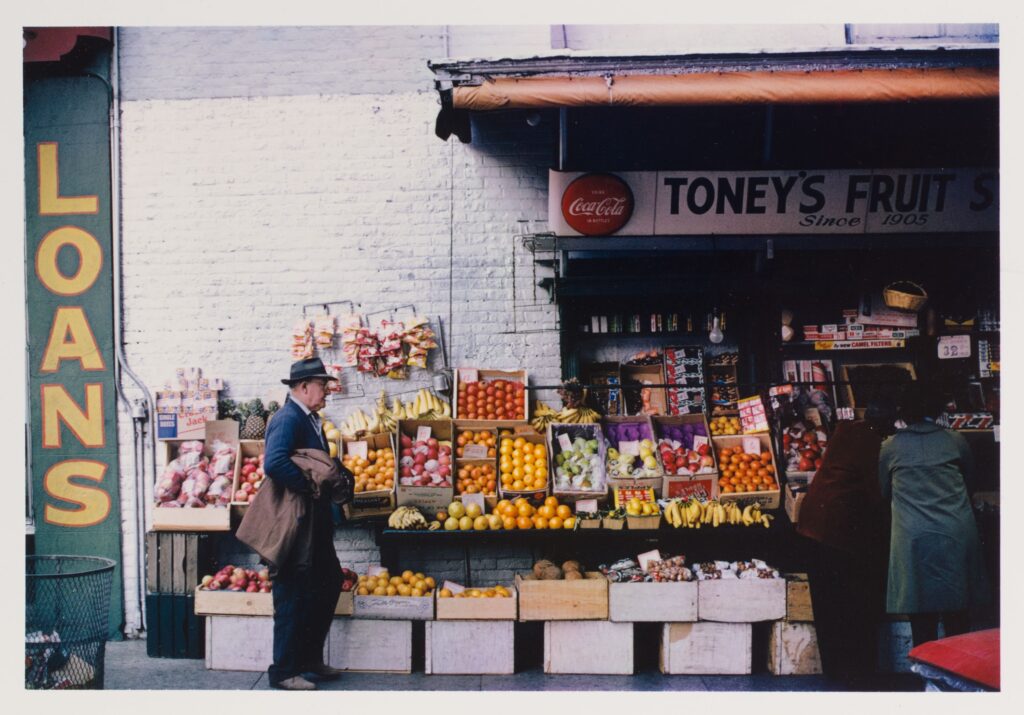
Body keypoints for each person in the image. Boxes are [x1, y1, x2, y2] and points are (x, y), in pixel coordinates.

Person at [879, 380, 989, 647]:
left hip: (913, 540)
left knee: (921, 618)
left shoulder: (890, 447)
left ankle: (926, 680)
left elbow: (884, 492)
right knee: (958, 616)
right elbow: (969, 482)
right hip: (954, 534)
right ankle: (957, 680)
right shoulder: (956, 441)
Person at [262, 357, 349, 690]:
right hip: (296, 521)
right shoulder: (287, 418)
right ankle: (284, 672)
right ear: (302, 387)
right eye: (322, 385)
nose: (326, 391)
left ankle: (310, 659)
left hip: (315, 522)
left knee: (327, 582)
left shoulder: (311, 419)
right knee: (290, 592)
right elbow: (274, 463)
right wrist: (311, 488)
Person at [796, 402, 893, 685]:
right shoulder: (876, 445)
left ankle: (834, 670)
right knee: (855, 602)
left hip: (813, 523)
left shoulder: (844, 430)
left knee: (826, 602)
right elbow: (877, 492)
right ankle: (858, 672)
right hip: (840, 529)